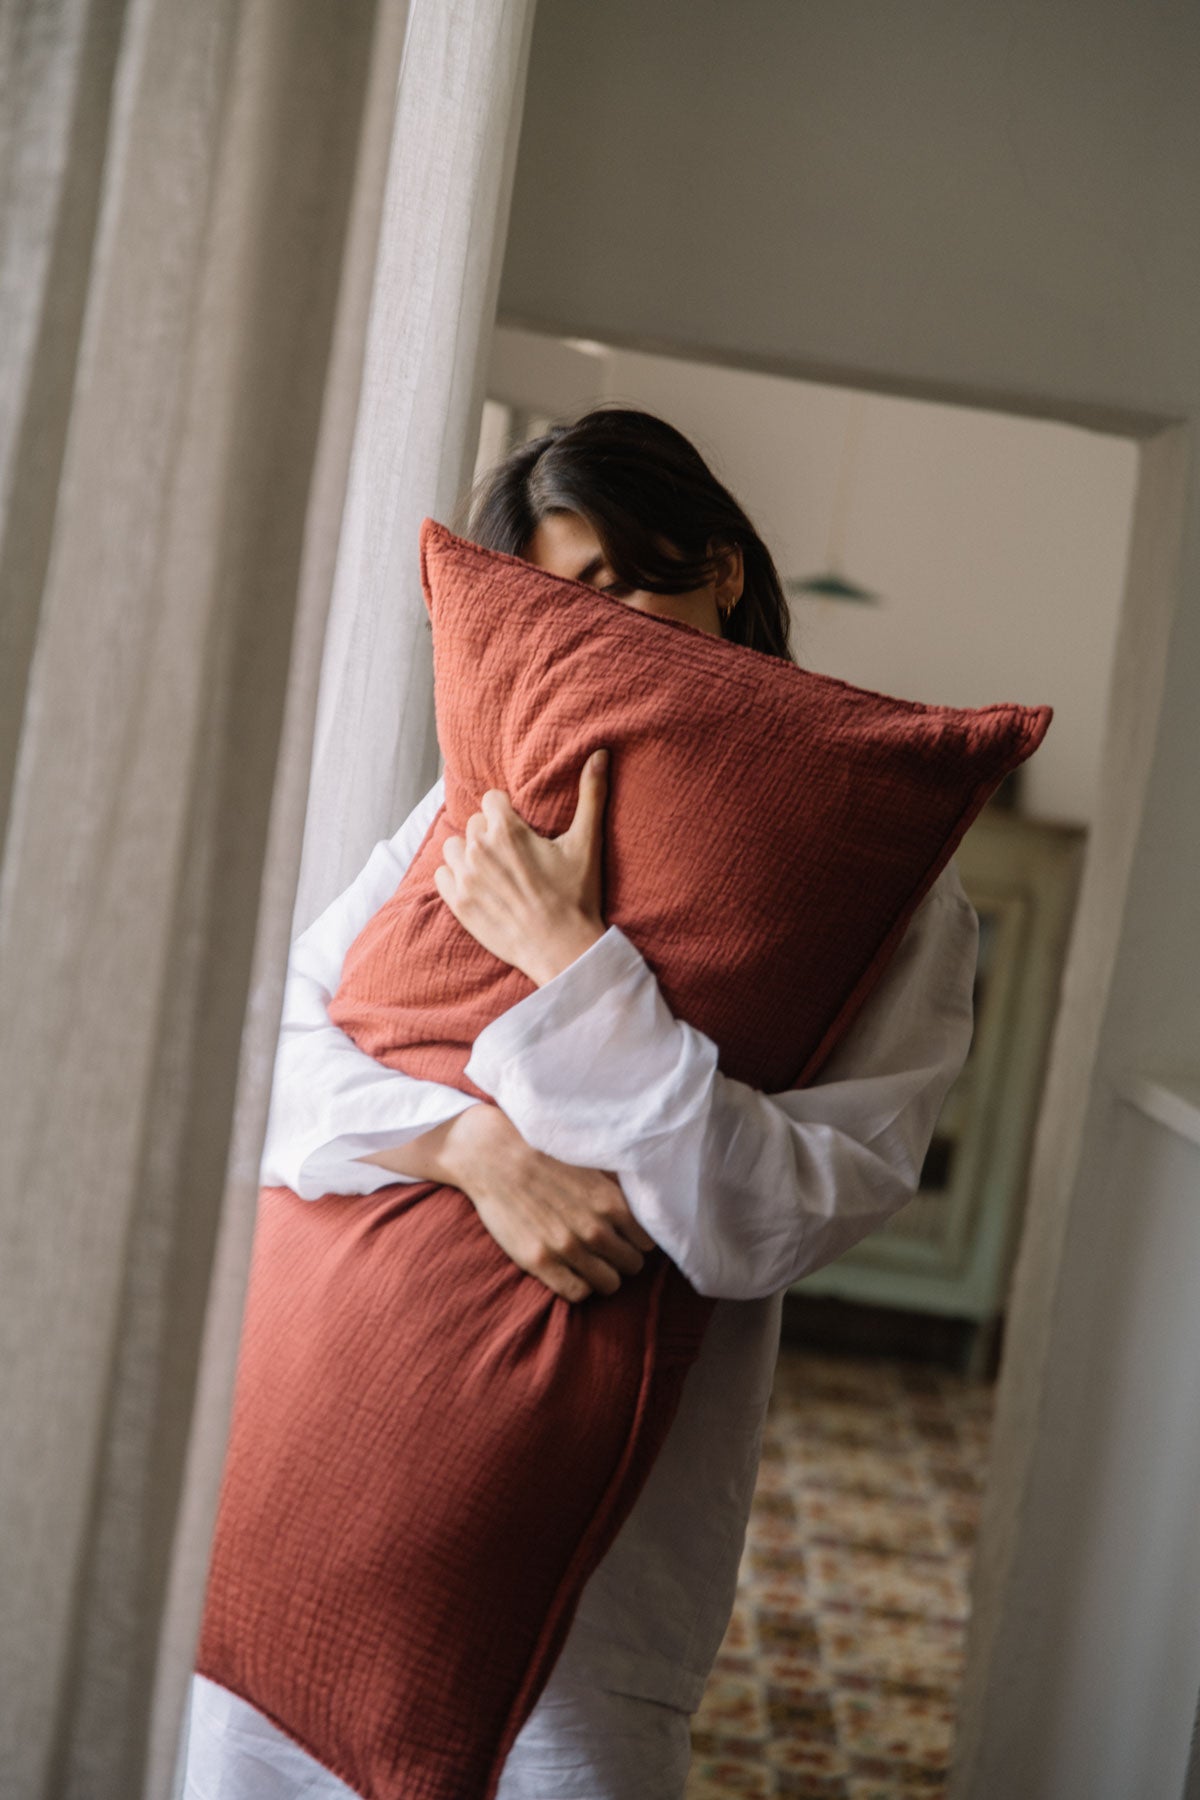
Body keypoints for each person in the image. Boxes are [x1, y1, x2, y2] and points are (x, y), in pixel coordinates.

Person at [183, 406, 979, 1799]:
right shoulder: (479, 806)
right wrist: (474, 1149)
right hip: (308, 1488)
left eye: (623, 579)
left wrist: (573, 966)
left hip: (591, 1565)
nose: (597, 628)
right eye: (563, 596)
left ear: (720, 569)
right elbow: (265, 1058)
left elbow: (773, 1221)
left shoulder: (870, 864)